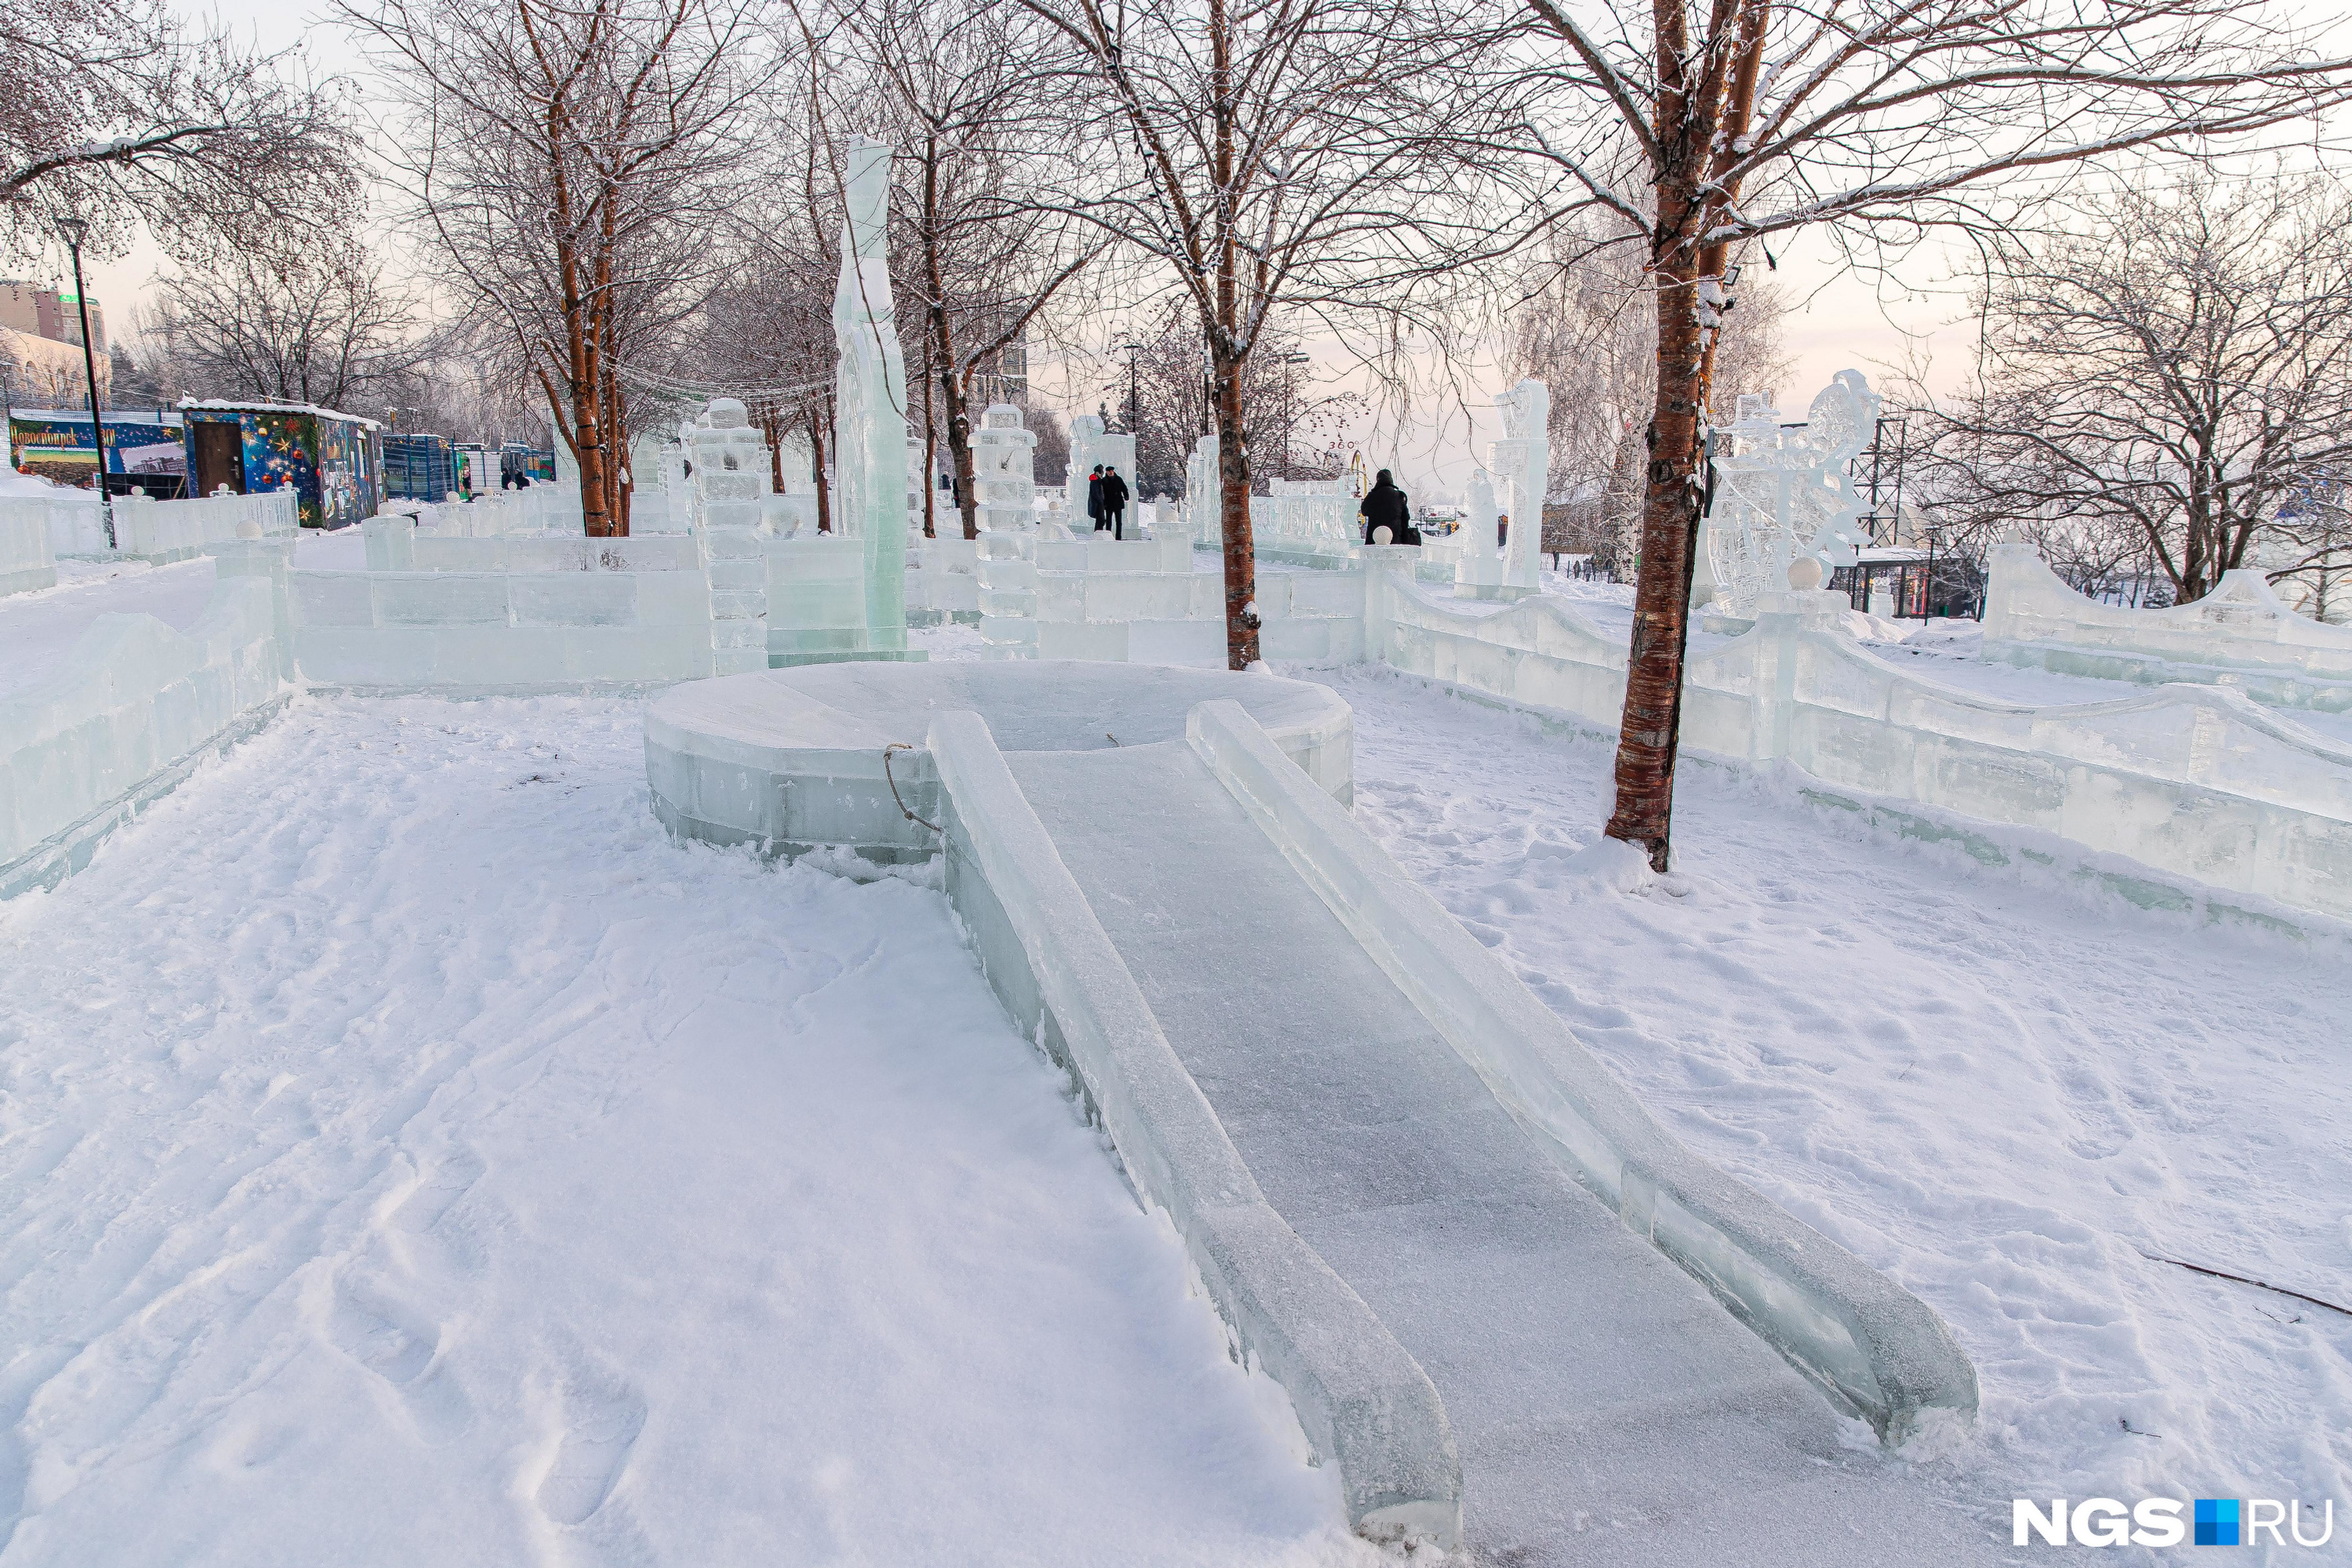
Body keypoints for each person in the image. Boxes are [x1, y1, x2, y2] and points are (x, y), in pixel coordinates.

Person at [1358, 469, 1420, 546]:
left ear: (1378, 480)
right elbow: (1406, 518)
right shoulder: (1399, 496)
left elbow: (1364, 511)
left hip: (1373, 541)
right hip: (1395, 540)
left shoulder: (1372, 496)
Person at [1099, 465, 1131, 539]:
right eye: (1108, 472)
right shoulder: (1104, 481)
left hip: (1118, 503)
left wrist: (1126, 496)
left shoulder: (1118, 479)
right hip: (1108, 504)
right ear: (1106, 472)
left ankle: (1118, 537)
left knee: (1119, 522)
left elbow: (1124, 488)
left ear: (1113, 471)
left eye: (1111, 471)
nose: (1110, 473)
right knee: (1109, 521)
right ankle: (1108, 536)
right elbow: (1102, 492)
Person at [1086, 464, 1106, 530]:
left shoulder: (1098, 480)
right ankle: (1098, 532)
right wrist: (1101, 501)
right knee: (1101, 520)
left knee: (1100, 520)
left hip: (1099, 502)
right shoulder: (1095, 480)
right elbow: (1095, 493)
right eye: (1102, 471)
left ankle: (1098, 532)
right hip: (1097, 503)